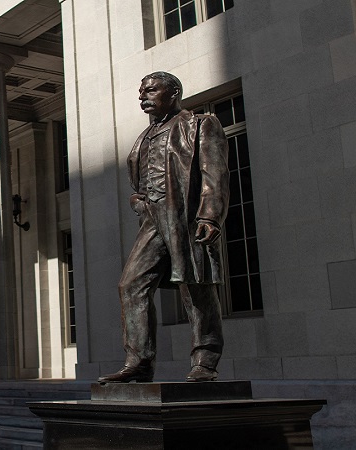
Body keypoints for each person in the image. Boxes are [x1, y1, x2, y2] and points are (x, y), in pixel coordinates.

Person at [98, 72, 229, 383]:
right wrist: (138, 202)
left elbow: (215, 174)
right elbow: (140, 182)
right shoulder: (143, 137)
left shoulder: (199, 124)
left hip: (185, 215)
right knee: (131, 285)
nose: (143, 96)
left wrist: (210, 216)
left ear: (174, 92)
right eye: (141, 91)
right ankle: (139, 361)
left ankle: (205, 362)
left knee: (195, 286)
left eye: (151, 90)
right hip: (153, 220)